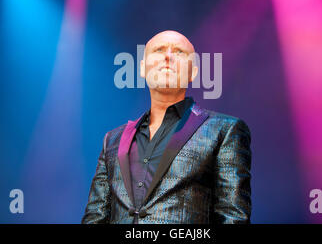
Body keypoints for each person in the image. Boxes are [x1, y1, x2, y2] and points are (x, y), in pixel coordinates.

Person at [82, 30, 251, 224]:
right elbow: (94, 217)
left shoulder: (224, 131)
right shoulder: (112, 140)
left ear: (193, 71)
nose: (168, 56)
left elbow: (233, 217)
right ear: (142, 69)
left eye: (179, 52)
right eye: (158, 50)